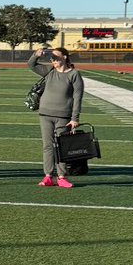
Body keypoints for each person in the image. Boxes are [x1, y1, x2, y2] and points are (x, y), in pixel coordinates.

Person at [27, 45, 84, 188]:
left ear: (64, 57)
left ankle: (61, 177)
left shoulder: (74, 74)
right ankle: (48, 176)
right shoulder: (49, 70)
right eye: (51, 58)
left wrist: (75, 118)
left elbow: (78, 97)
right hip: (45, 114)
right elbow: (31, 65)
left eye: (56, 57)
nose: (53, 60)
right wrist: (37, 54)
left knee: (61, 147)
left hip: (63, 116)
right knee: (47, 146)